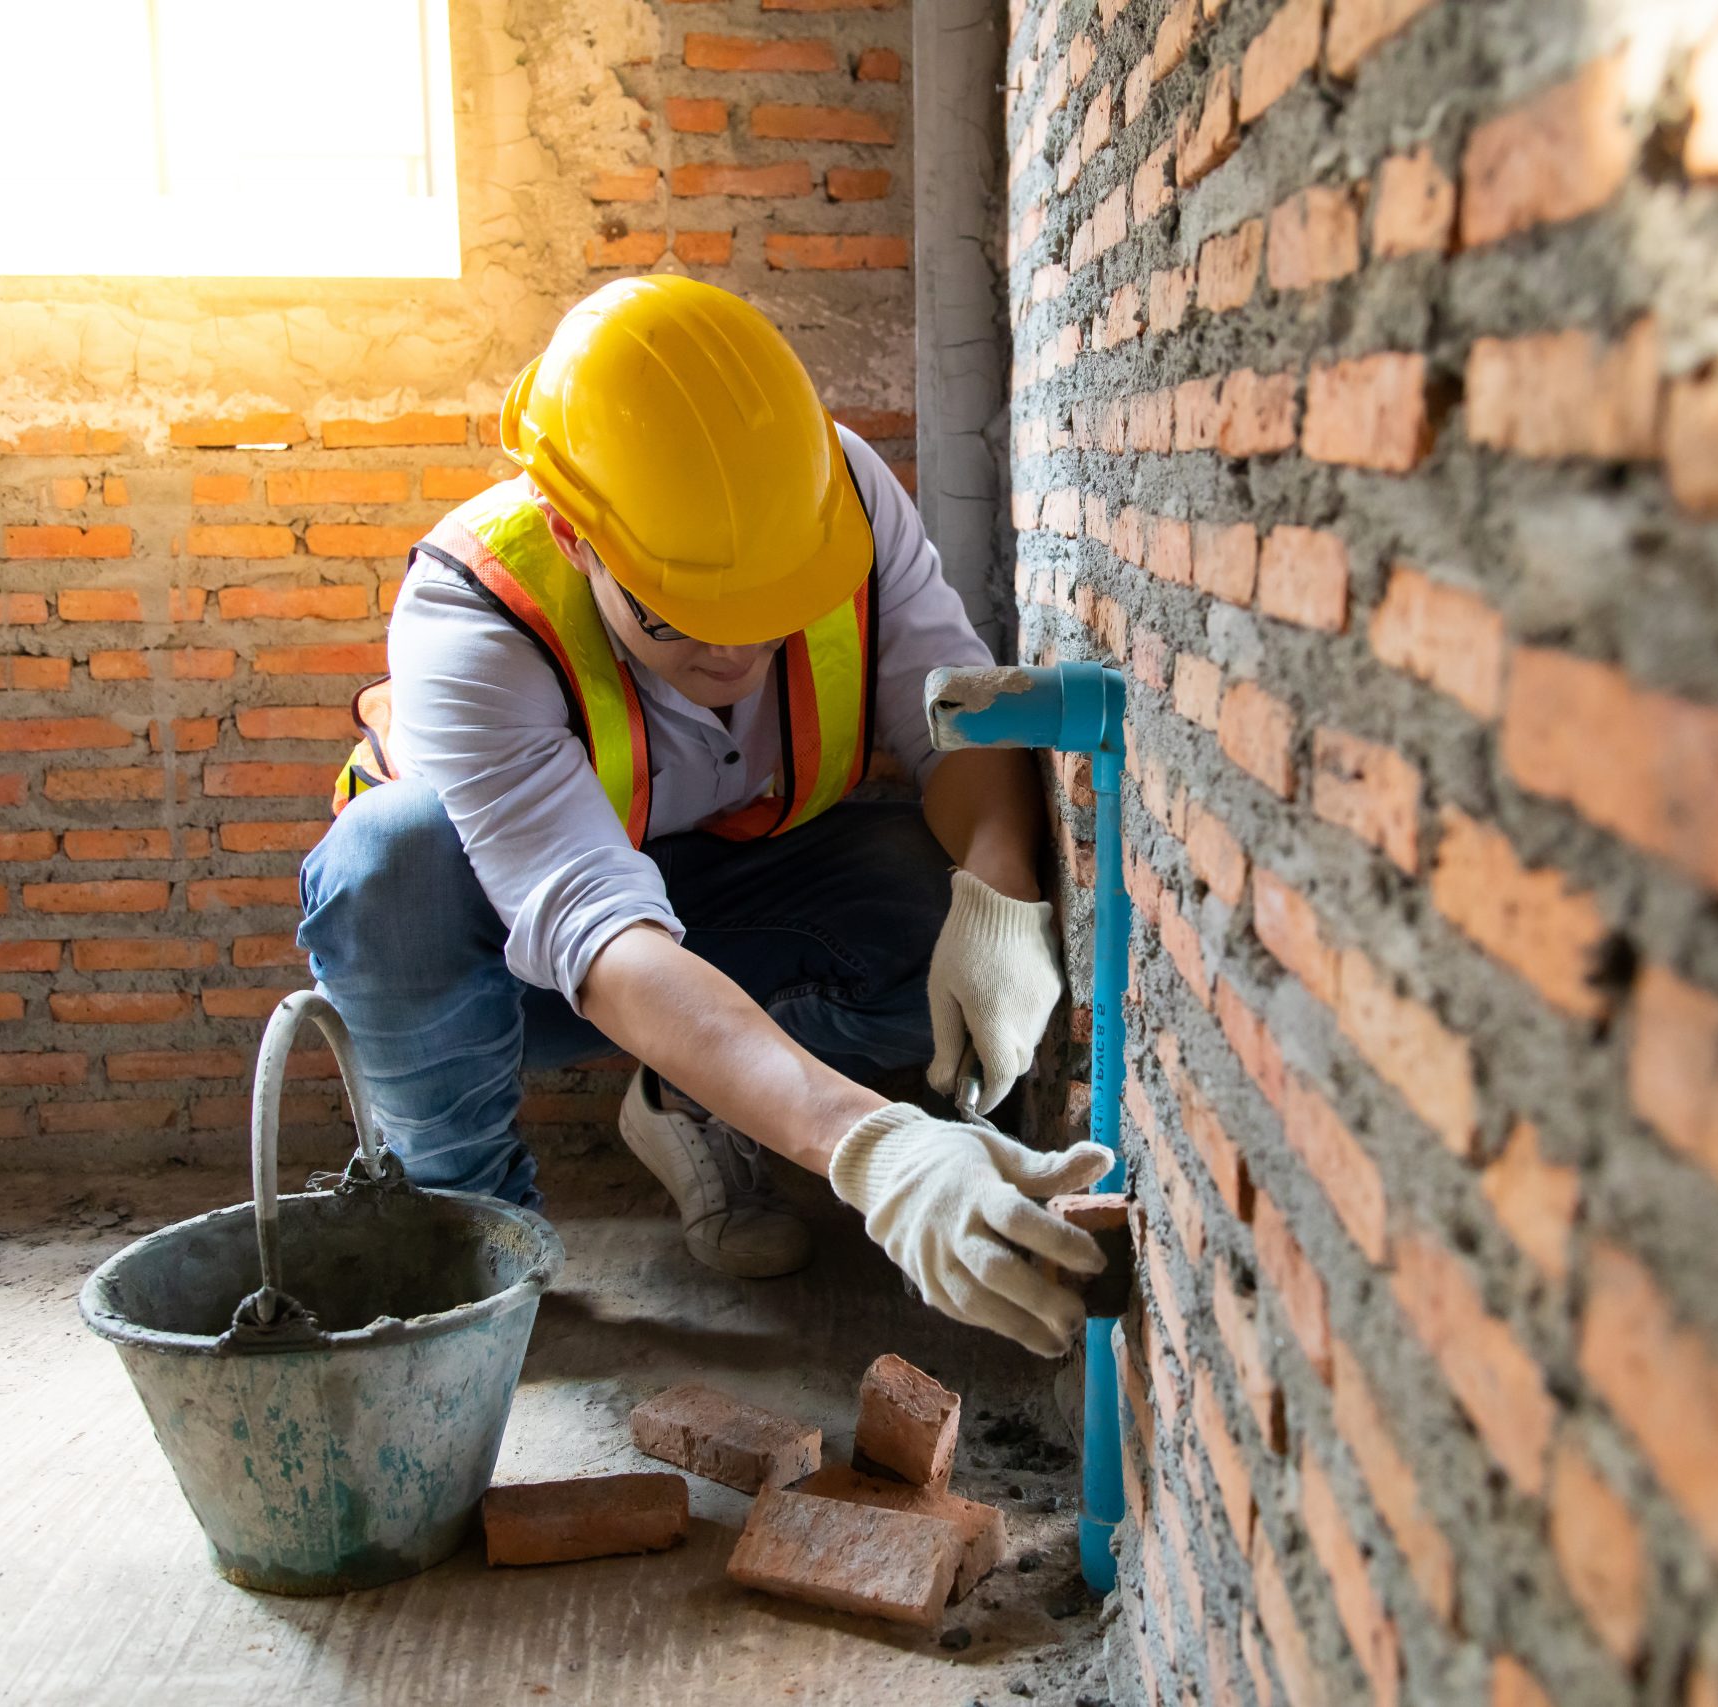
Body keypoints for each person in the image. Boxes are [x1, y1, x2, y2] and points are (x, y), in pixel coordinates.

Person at [295, 277, 1110, 1357]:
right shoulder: (472, 612)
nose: (730, 653)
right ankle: (467, 1240)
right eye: (677, 615)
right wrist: (867, 1144)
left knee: (921, 902)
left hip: (722, 899)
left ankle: (699, 1091)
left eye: (764, 610)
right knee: (386, 854)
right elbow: (596, 932)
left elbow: (950, 709)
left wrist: (1001, 894)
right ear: (577, 537)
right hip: (490, 967)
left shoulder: (834, 497)